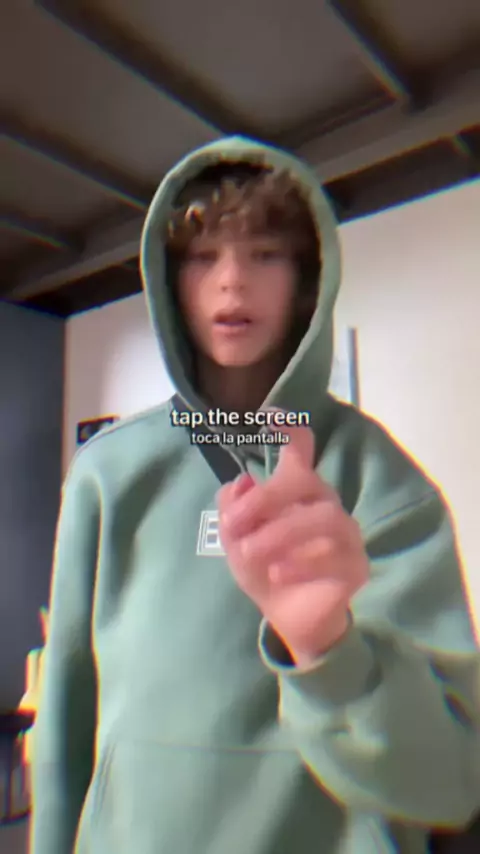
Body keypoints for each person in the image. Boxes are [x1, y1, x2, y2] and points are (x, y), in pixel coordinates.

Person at [30, 137, 480, 854]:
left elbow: (450, 787)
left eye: (265, 254)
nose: (232, 282)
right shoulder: (107, 475)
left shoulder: (380, 480)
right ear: (168, 279)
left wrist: (328, 649)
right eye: (202, 257)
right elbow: (64, 726)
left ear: (306, 279)